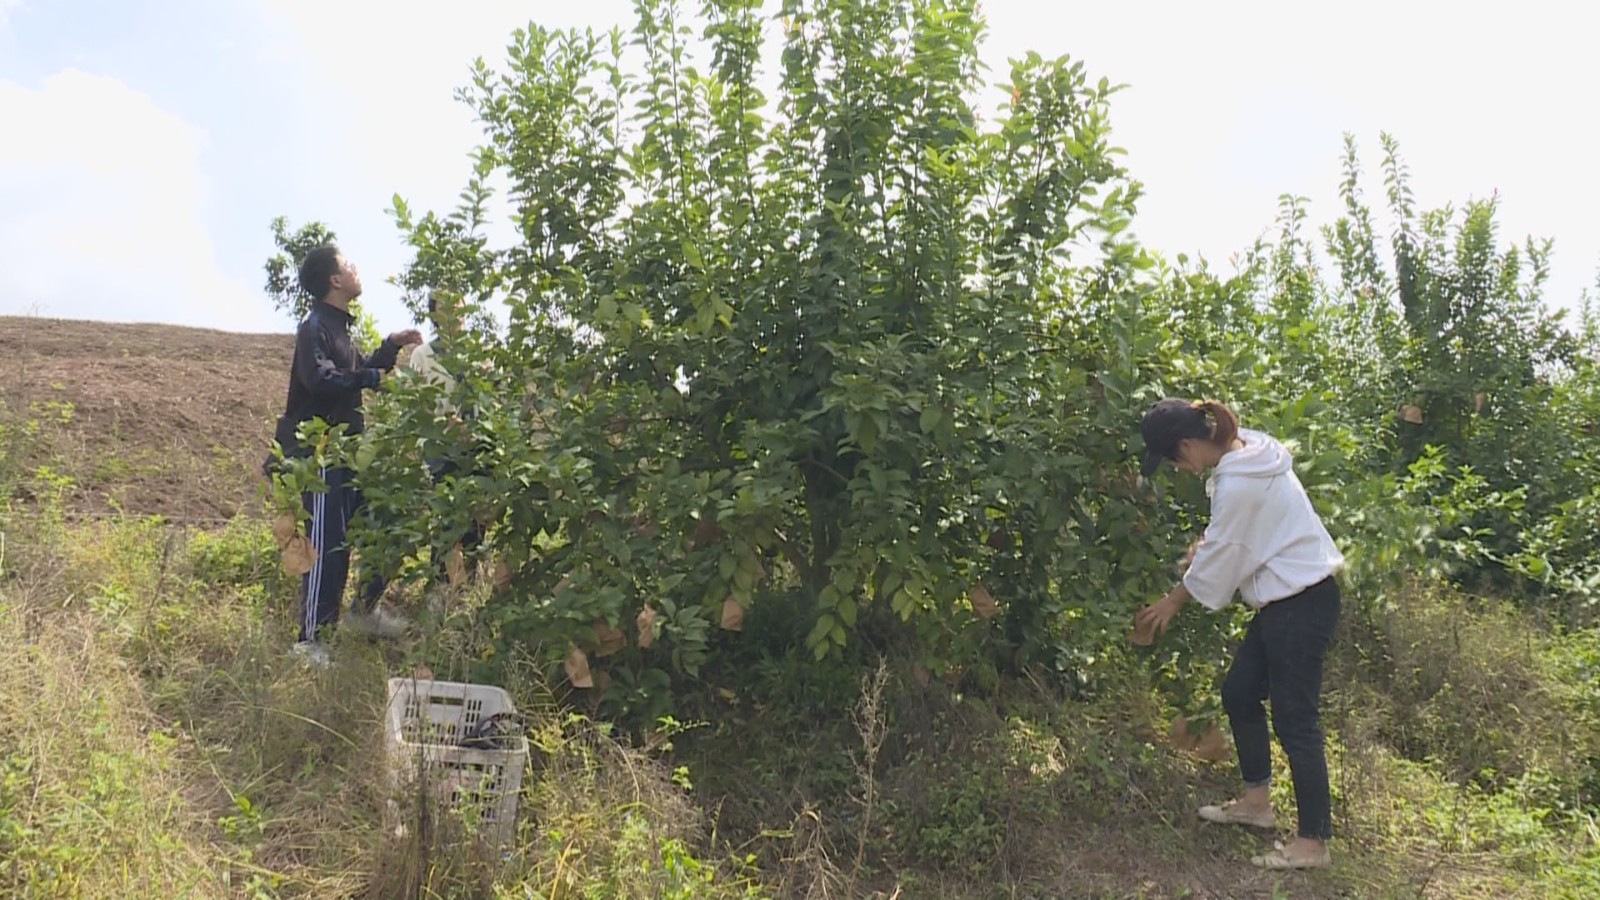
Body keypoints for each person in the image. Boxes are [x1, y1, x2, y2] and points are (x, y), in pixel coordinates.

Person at [1134, 398, 1345, 870]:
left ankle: (1314, 843)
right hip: (1286, 600)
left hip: (1301, 601)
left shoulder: (1236, 481)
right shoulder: (1252, 450)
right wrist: (1208, 548)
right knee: (1240, 692)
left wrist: (1173, 600)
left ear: (1187, 445)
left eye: (1171, 459)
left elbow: (1229, 549)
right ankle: (1257, 805)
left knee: (1296, 720)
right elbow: (1242, 535)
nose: (1175, 469)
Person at [270, 244, 423, 664]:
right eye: (348, 265)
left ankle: (362, 611)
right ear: (335, 280)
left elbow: (354, 374)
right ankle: (310, 640)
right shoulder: (313, 327)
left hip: (349, 454)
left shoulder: (338, 329)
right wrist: (370, 376)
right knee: (327, 544)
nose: (356, 269)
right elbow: (322, 380)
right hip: (321, 455)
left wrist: (388, 349)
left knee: (388, 519)